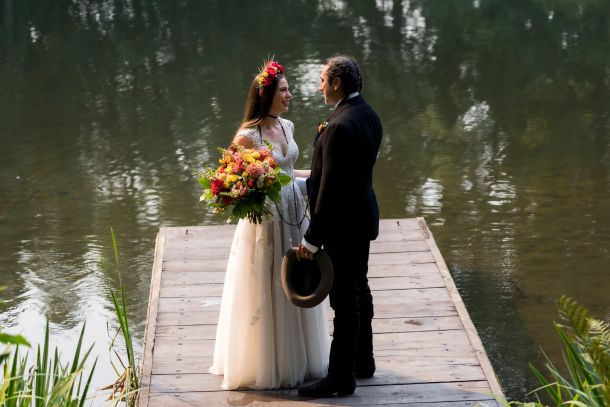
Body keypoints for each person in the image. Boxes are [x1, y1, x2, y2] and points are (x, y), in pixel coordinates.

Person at [208, 60, 330, 390]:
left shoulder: (287, 126)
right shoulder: (247, 136)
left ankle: (303, 356)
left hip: (294, 211)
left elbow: (290, 172)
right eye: (283, 90)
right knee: (268, 279)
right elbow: (231, 181)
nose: (289, 94)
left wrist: (319, 179)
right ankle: (266, 361)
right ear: (266, 95)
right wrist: (250, 189)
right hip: (267, 220)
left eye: (289, 89)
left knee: (299, 276)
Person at [296, 55, 383, 397]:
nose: (319, 86)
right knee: (359, 287)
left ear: (336, 83)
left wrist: (312, 239)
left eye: (322, 80)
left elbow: (330, 190)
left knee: (343, 301)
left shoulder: (339, 126)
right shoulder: (368, 115)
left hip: (342, 226)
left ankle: (340, 378)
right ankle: (364, 362)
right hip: (363, 217)